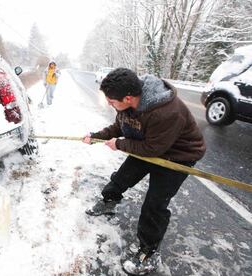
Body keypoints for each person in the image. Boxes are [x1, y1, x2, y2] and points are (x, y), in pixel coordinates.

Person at [82, 68, 206, 275]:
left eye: (112, 102)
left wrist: (120, 145)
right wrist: (96, 137)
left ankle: (149, 252)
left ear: (128, 98)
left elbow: (152, 149)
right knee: (122, 178)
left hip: (177, 156)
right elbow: (120, 127)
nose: (110, 105)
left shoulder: (166, 111)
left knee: (155, 204)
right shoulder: (126, 104)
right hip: (149, 145)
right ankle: (108, 202)